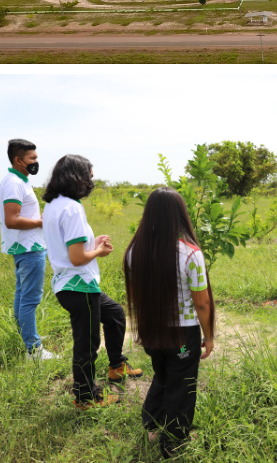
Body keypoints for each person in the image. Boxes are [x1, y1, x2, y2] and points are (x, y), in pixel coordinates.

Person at [41, 154, 142, 409]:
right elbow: (77, 258)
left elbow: (70, 248)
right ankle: (86, 396)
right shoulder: (72, 207)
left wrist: (92, 245)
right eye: (89, 177)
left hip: (71, 284)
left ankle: (117, 367)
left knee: (116, 314)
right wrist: (99, 252)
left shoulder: (55, 204)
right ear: (76, 177)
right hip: (79, 284)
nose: (91, 182)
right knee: (87, 345)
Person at [124, 188, 215, 458]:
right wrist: (208, 337)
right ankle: (173, 442)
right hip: (182, 334)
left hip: (151, 330)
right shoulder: (190, 254)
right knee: (182, 386)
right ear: (179, 214)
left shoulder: (133, 252)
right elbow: (202, 303)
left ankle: (151, 425)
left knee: (162, 375)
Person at [0, 138, 57, 361]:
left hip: (26, 245)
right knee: (30, 299)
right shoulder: (14, 182)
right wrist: (42, 222)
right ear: (18, 160)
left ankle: (27, 343)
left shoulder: (19, 181)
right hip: (29, 248)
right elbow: (12, 220)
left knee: (22, 296)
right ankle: (33, 350)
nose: (35, 161)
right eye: (32, 158)